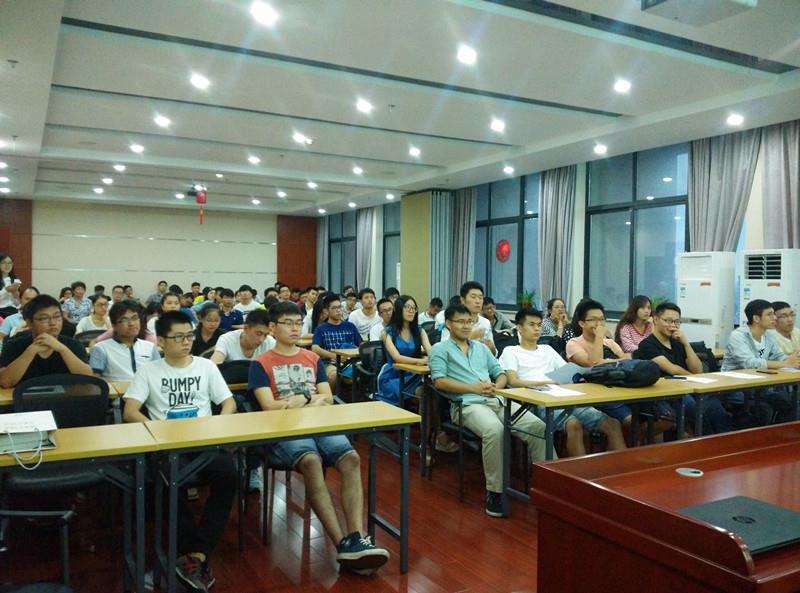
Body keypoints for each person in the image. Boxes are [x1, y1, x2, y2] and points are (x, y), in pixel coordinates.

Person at [249, 302, 390, 574]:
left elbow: (328, 398)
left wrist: (299, 400)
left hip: (320, 424)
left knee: (351, 459)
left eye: (298, 323)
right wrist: (309, 398)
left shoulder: (312, 359)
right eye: (287, 323)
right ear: (272, 328)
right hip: (285, 430)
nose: (294, 328)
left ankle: (357, 537)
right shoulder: (261, 363)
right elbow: (269, 406)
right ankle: (342, 545)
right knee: (311, 461)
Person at [123, 311, 236, 592]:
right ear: (161, 341)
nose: (187, 342)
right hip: (168, 447)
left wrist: (218, 426)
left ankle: (196, 554)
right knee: (166, 482)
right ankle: (190, 555)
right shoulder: (149, 371)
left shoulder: (206, 367)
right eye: (179, 337)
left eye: (189, 336)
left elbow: (229, 403)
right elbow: (130, 411)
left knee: (230, 473)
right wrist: (157, 433)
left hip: (204, 443)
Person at [430, 304, 548, 517]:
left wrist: (497, 387)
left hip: (496, 399)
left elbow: (500, 373)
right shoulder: (440, 349)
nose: (466, 326)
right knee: (495, 430)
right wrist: (474, 388)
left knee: (538, 427)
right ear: (448, 324)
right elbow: (439, 382)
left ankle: (549, 486)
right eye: (460, 322)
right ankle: (495, 492)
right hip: (467, 404)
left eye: (469, 322)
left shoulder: (481, 348)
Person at [500, 308, 626, 456]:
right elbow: (513, 381)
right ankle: (579, 470)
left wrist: (576, 376)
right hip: (534, 400)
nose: (537, 329)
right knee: (574, 425)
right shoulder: (511, 351)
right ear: (520, 328)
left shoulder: (547, 349)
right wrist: (543, 384)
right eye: (532, 325)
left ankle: (622, 467)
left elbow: (567, 371)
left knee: (612, 424)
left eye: (539, 325)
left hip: (562, 395)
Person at [633, 302, 731, 434]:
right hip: (665, 393)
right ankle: (709, 441)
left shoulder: (677, 343)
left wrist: (686, 344)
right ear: (655, 319)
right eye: (668, 321)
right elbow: (672, 369)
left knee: (715, 405)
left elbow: (698, 370)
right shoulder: (647, 345)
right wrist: (695, 378)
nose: (672, 325)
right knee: (698, 408)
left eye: (676, 322)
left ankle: (724, 440)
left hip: (686, 388)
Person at [721, 299, 800, 424]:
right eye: (770, 314)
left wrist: (794, 361)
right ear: (756, 318)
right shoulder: (738, 335)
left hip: (759, 385)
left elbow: (779, 356)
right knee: (763, 406)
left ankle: (777, 433)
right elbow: (749, 363)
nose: (774, 318)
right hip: (735, 386)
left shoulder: (768, 335)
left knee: (789, 402)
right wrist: (786, 363)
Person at [0, 294, 93, 388]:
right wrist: (31, 351)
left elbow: (88, 379)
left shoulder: (74, 345)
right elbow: (5, 382)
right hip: (25, 397)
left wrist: (62, 349)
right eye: (44, 318)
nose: (53, 323)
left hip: (65, 397)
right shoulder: (14, 345)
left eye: (57, 317)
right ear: (30, 323)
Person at [90, 300, 161, 381]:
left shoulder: (150, 347)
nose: (131, 323)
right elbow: (95, 380)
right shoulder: (101, 348)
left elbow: (159, 373)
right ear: (114, 326)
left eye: (135, 318)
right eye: (124, 320)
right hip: (117, 388)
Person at [311, 294, 362, 390]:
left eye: (339, 307)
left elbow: (361, 344)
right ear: (326, 311)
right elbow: (315, 348)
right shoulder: (321, 328)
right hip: (330, 362)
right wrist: (335, 356)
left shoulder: (350, 326)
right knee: (334, 375)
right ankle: (332, 398)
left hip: (352, 361)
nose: (338, 310)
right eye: (334, 308)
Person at [440, 282, 496, 356]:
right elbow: (444, 350)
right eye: (473, 297)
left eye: (480, 298)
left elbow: (493, 353)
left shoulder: (485, 322)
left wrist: (492, 349)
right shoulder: (453, 320)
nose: (478, 301)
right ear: (463, 300)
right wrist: (471, 336)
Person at [210, 309, 275, 363]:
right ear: (246, 328)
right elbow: (214, 365)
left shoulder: (270, 342)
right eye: (258, 334)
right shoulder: (227, 339)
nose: (261, 340)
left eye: (266, 335)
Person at [0, 253, 21, 317]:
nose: (7, 265)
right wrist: (5, 290)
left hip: (12, 311)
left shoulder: (15, 280)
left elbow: (17, 304)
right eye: (4, 262)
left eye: (10, 263)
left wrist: (16, 296)